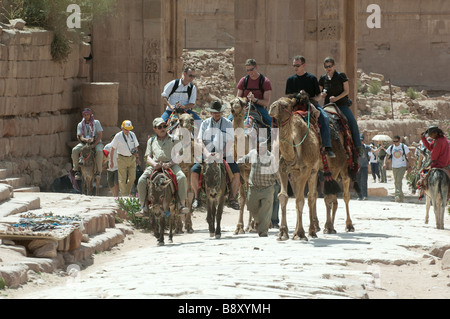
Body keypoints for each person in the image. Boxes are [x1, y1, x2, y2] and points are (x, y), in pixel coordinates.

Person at [191, 100, 241, 210]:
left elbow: (230, 141)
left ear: (222, 112)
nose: (216, 114)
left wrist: (221, 153)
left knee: (236, 172)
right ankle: (197, 198)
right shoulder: (205, 123)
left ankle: (232, 199)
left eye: (218, 112)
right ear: (210, 113)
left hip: (223, 153)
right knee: (194, 171)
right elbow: (200, 140)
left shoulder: (227, 123)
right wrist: (207, 153)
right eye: (213, 112)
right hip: (207, 153)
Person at [135, 118, 189, 218]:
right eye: (159, 127)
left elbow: (179, 154)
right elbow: (148, 157)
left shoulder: (174, 138)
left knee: (182, 177)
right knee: (141, 180)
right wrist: (154, 164)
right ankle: (144, 207)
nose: (162, 128)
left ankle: (182, 204)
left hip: (171, 165)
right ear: (155, 129)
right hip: (155, 165)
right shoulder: (151, 141)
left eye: (164, 126)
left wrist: (170, 163)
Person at [285, 55, 335, 158]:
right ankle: (279, 146)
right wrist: (297, 95)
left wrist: (310, 97)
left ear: (303, 65)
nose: (295, 68)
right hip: (295, 104)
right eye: (294, 65)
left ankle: (327, 146)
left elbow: (317, 95)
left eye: (297, 65)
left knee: (324, 118)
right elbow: (288, 95)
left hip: (310, 103)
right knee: (279, 119)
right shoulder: (290, 80)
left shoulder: (311, 78)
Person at [237, 136, 279, 237]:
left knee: (265, 210)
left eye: (263, 146)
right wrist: (237, 164)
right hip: (254, 188)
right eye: (259, 147)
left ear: (266, 147)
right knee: (252, 207)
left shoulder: (271, 158)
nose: (261, 148)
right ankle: (257, 221)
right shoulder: (252, 153)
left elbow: (276, 173)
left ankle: (263, 231)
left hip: (267, 188)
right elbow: (243, 159)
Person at [318, 57, 362, 152]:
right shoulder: (322, 78)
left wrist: (336, 98)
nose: (328, 68)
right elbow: (319, 92)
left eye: (330, 66)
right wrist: (322, 95)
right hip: (328, 106)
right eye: (326, 66)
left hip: (341, 105)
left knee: (352, 121)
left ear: (334, 65)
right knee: (318, 121)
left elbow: (346, 91)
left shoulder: (341, 76)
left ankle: (358, 146)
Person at [231, 59, 272, 127]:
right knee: (229, 121)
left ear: (256, 67)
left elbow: (266, 102)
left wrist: (255, 100)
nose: (249, 72)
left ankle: (273, 137)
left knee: (271, 124)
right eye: (247, 70)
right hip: (243, 107)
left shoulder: (265, 81)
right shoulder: (243, 80)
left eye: (251, 69)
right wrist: (244, 100)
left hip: (259, 108)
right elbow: (238, 98)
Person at [109, 120, 140, 197]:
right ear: (122, 128)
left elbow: (136, 146)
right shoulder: (118, 136)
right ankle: (124, 195)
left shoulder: (132, 134)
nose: (128, 131)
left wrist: (137, 157)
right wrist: (111, 161)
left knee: (132, 177)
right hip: (121, 158)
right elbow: (112, 149)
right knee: (122, 179)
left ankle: (126, 192)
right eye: (126, 129)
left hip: (132, 158)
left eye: (129, 129)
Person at [71, 108, 104, 180]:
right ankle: (76, 170)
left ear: (90, 115)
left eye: (87, 115)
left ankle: (98, 171)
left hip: (96, 142)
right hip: (84, 143)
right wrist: (85, 140)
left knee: (99, 151)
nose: (86, 116)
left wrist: (94, 144)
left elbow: (100, 134)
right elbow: (79, 136)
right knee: (75, 150)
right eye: (84, 115)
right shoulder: (80, 124)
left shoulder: (96, 122)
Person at [384, 135, 411, 202]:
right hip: (394, 166)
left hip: (402, 166)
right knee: (396, 182)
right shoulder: (391, 147)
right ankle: (401, 196)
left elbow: (409, 156)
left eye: (396, 141)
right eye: (394, 141)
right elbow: (386, 156)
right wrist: (385, 163)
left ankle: (397, 196)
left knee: (399, 180)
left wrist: (409, 166)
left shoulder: (403, 147)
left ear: (399, 141)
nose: (395, 143)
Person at [356, 134, 371, 200]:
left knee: (364, 181)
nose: (360, 141)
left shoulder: (366, 147)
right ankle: (359, 196)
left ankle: (365, 195)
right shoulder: (355, 147)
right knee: (358, 181)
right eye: (359, 140)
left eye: (361, 140)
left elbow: (372, 151)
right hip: (357, 167)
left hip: (364, 166)